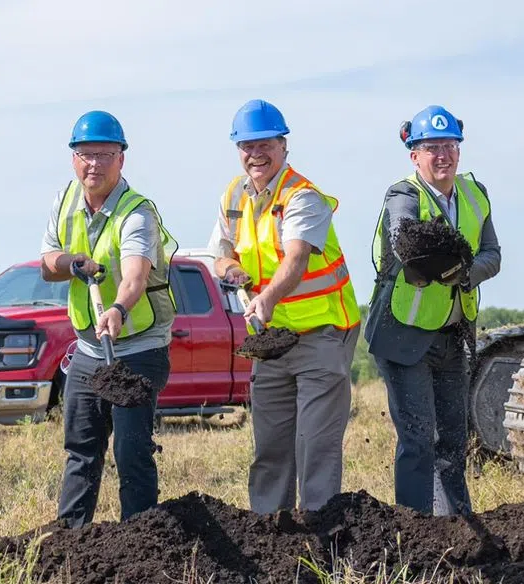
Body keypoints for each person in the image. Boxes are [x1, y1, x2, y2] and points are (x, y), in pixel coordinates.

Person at [208, 99, 361, 514]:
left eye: (265, 144)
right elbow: (219, 253)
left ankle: (321, 536)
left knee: (314, 445)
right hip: (272, 342)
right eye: (246, 145)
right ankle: (270, 537)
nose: (255, 154)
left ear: (283, 145)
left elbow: (295, 261)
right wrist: (230, 268)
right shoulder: (233, 195)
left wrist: (267, 298)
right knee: (271, 450)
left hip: (322, 335)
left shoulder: (303, 197)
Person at [39, 110, 174, 527]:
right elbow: (47, 263)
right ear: (73, 159)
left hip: (138, 348)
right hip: (87, 349)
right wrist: (71, 261)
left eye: (104, 154)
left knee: (132, 452)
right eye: (85, 154)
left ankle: (141, 540)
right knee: (81, 448)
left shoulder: (136, 213)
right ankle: (69, 540)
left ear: (121, 159)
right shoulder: (65, 201)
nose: (93, 163)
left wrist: (117, 308)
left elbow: (134, 275)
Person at [365, 105, 501, 515]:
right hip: (404, 333)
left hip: (452, 334)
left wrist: (463, 274)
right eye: (432, 148)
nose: (443, 155)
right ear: (415, 155)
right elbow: (410, 245)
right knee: (418, 439)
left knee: (453, 440)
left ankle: (456, 524)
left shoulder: (475, 194)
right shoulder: (403, 195)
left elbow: (493, 255)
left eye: (450, 146)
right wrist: (447, 264)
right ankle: (416, 530)